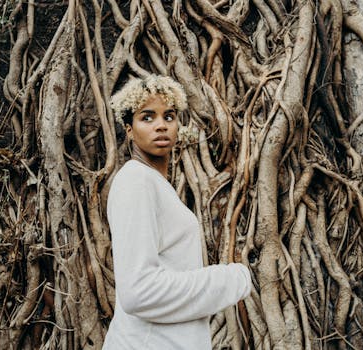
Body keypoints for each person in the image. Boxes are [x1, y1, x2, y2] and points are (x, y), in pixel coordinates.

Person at [103, 74, 252, 349]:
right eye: (147, 117)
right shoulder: (136, 181)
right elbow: (139, 292)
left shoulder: (154, 183)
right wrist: (232, 279)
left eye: (169, 116)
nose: (161, 125)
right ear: (128, 129)